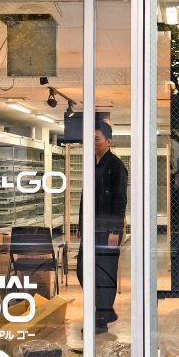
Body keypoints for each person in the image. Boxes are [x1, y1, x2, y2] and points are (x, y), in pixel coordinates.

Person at [76, 121, 128, 334]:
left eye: (96, 139)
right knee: (82, 269)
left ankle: (101, 319)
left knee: (104, 273)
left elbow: (120, 200)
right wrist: (80, 224)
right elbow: (85, 197)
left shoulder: (116, 166)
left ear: (109, 141)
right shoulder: (92, 165)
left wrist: (115, 230)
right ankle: (104, 311)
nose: (93, 143)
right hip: (90, 229)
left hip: (108, 231)